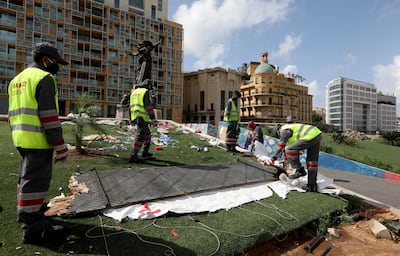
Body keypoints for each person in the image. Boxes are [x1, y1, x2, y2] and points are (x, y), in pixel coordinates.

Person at [8, 42, 69, 244]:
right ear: (46, 60)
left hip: (20, 138)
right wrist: (60, 146)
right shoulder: (45, 78)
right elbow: (49, 117)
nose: (57, 66)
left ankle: (31, 211)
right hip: (38, 140)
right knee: (35, 182)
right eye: (56, 62)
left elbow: (12, 114)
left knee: (26, 179)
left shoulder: (17, 80)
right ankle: (34, 228)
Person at [265, 123, 322, 192]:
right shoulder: (290, 130)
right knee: (312, 162)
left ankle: (300, 170)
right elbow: (291, 148)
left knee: (289, 150)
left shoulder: (284, 131)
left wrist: (273, 158)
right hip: (317, 134)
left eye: (278, 135)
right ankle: (312, 185)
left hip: (310, 135)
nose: (280, 137)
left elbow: (281, 146)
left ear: (278, 131)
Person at [128, 79, 158, 163]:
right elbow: (148, 106)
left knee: (147, 135)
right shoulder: (144, 92)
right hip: (142, 118)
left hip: (136, 116)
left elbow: (130, 107)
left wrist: (131, 118)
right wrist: (153, 119)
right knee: (140, 137)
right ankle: (133, 156)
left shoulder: (134, 92)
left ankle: (145, 153)